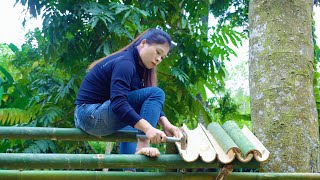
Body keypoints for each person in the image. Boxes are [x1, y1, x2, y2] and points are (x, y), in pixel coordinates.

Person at [74, 28, 181, 157]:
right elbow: (118, 104)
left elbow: (143, 103)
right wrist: (148, 130)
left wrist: (166, 124)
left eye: (162, 57)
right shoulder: (126, 63)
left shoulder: (137, 66)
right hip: (89, 115)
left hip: (91, 116)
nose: (158, 59)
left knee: (135, 118)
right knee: (156, 94)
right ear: (143, 43)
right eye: (158, 52)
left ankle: (130, 171)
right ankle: (143, 145)